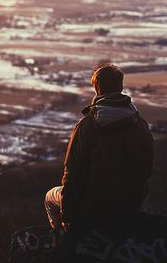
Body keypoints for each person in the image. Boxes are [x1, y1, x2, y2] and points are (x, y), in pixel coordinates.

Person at [44, 64, 154, 232]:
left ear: (97, 89)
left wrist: (68, 217)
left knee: (50, 197)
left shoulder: (88, 126)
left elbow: (73, 174)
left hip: (93, 209)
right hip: (128, 206)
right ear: (121, 87)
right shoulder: (140, 124)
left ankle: (63, 240)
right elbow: (146, 170)